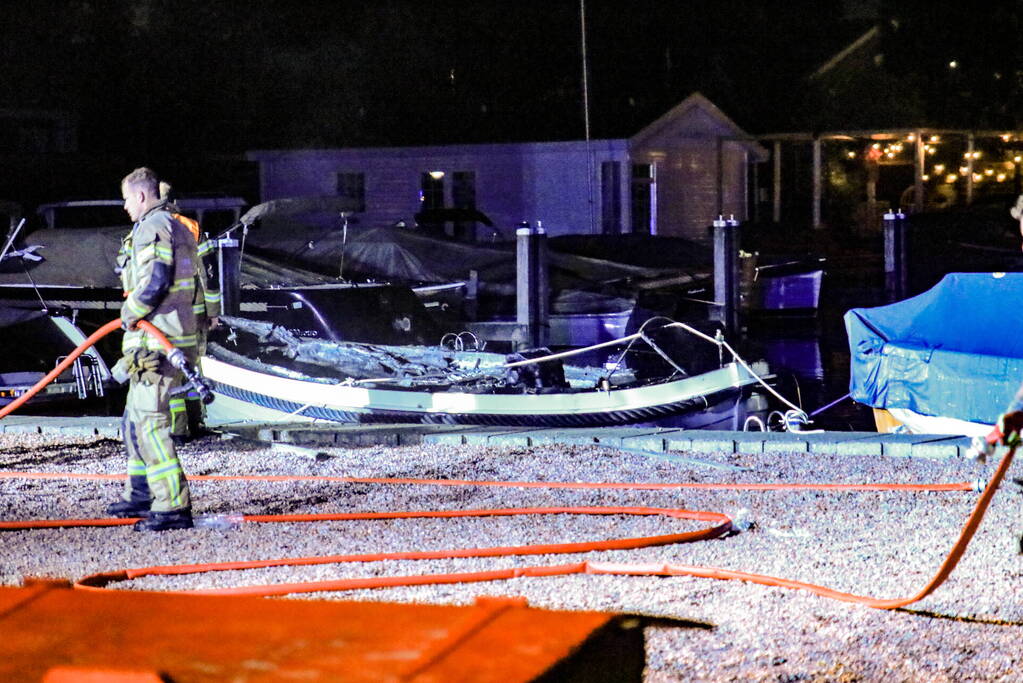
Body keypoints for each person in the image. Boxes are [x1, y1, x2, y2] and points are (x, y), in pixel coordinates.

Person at [106, 167, 201, 531]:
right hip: (159, 340)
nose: (125, 206)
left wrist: (128, 314)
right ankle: (141, 493)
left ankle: (172, 506)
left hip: (157, 342)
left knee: (150, 423)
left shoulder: (153, 227)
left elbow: (156, 280)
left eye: (127, 199)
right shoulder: (174, 225)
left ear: (142, 196)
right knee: (134, 419)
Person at [158, 181, 221, 443]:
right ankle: (196, 423)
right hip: (194, 313)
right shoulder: (192, 227)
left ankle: (178, 429)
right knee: (193, 366)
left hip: (164, 315)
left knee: (171, 370)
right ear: (176, 202)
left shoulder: (147, 229)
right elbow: (209, 272)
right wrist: (213, 311)